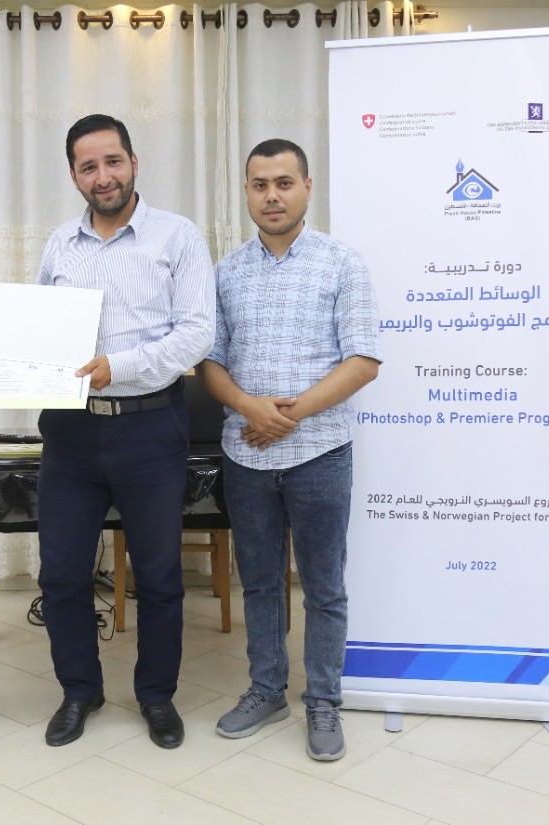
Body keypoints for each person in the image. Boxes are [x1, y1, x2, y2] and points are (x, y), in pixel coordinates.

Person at [0, 115, 215, 749]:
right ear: (74, 176)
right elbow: (43, 335)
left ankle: (156, 696)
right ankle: (80, 690)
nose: (102, 176)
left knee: (159, 577)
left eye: (112, 162)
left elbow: (198, 332)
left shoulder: (177, 237)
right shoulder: (61, 244)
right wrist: (0, 334)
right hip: (71, 433)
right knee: (61, 575)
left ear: (134, 163)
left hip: (150, 426)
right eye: (88, 167)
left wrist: (120, 367)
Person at [198, 139, 381, 761]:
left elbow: (363, 361)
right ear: (247, 192)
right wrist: (248, 408)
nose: (271, 196)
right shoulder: (226, 271)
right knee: (259, 583)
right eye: (259, 185)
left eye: (283, 183)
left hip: (320, 453)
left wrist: (285, 416)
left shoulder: (342, 263)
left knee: (324, 586)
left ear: (307, 187)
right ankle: (266, 689)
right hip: (246, 456)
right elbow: (211, 362)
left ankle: (323, 700)